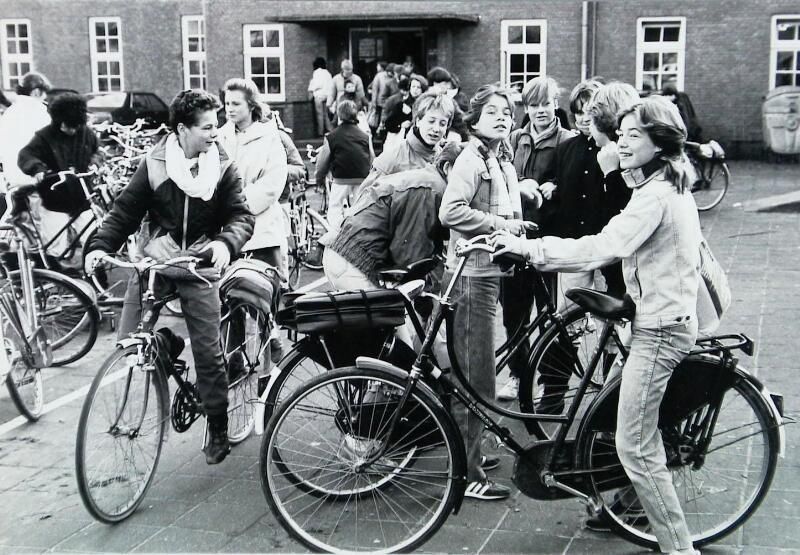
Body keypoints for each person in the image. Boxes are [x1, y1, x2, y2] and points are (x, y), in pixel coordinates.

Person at [491, 95, 703, 555]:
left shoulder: (657, 197)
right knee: (613, 426)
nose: (622, 143)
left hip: (660, 330)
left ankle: (679, 548)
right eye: (621, 134)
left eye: (633, 136)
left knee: (636, 448)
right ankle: (620, 506)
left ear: (659, 143)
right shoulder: (659, 186)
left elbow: (602, 246)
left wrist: (528, 249)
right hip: (656, 320)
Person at [85, 89, 255, 466]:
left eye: (217, 125)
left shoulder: (222, 167)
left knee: (209, 353)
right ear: (182, 129)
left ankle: (218, 425)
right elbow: (124, 212)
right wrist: (99, 246)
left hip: (199, 262)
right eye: (208, 127)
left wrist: (225, 244)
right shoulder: (155, 163)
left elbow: (241, 216)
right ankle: (162, 345)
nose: (216, 132)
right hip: (158, 262)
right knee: (127, 341)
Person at [438, 83, 531, 501]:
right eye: (492, 112)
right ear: (473, 120)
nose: (502, 118)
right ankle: (467, 474)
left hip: (488, 274)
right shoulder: (471, 159)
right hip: (471, 278)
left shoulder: (496, 158)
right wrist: (504, 227)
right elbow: (450, 211)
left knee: (479, 375)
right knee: (476, 380)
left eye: (507, 113)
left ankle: (470, 452)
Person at [497, 76, 575, 401]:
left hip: (549, 240)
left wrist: (558, 187)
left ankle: (551, 383)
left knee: (550, 316)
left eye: (545, 103)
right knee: (513, 312)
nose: (540, 110)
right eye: (533, 105)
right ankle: (518, 374)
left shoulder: (568, 141)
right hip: (516, 241)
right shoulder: (515, 138)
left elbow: (574, 188)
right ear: (525, 108)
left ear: (556, 103)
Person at [323, 141, 463, 290]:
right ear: (447, 168)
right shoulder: (431, 190)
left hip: (346, 252)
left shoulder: (429, 180)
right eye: (466, 174)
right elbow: (410, 254)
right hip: (355, 260)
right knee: (387, 311)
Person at [17, 92, 99, 266]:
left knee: (93, 239)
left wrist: (95, 162)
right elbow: (26, 155)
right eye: (65, 125)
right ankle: (54, 277)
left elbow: (96, 152)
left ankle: (96, 275)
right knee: (56, 245)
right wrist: (37, 168)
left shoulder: (85, 133)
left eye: (73, 126)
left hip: (80, 197)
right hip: (54, 198)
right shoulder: (44, 136)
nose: (69, 129)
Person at [355, 91, 456, 197]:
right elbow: (364, 202)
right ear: (418, 121)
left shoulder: (445, 161)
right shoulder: (391, 160)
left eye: (442, 124)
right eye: (431, 121)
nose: (436, 129)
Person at [314, 99, 372, 229]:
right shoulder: (365, 136)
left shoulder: (331, 136)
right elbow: (372, 158)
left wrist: (319, 179)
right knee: (360, 207)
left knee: (335, 208)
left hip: (341, 178)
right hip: (362, 177)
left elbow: (323, 162)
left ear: (339, 116)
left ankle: (336, 235)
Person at [0, 72, 51, 190]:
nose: (45, 99)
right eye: (44, 95)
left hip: (13, 179)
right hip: (36, 179)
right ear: (36, 92)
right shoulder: (40, 112)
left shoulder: (9, 112)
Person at [381, 74, 428, 151]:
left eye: (418, 87)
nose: (415, 90)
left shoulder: (426, 105)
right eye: (413, 87)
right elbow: (388, 123)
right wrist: (400, 125)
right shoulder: (402, 105)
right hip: (404, 143)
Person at [307, 57, 333, 136]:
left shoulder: (316, 72)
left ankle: (320, 132)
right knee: (326, 114)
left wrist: (311, 88)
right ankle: (329, 129)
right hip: (327, 95)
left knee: (319, 115)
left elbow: (317, 84)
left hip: (318, 95)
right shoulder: (328, 73)